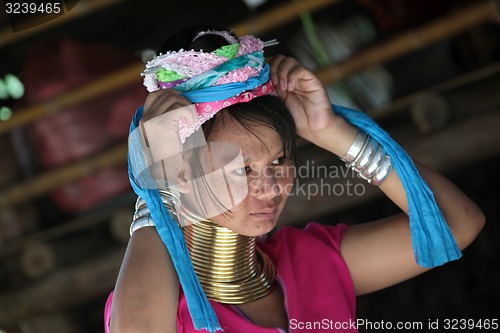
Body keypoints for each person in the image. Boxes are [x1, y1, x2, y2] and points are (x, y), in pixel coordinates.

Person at [105, 25, 485, 333]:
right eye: (243, 169)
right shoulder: (163, 305)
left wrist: (331, 131)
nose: (271, 187)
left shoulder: (310, 262)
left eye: (280, 159)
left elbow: (458, 224)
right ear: (181, 172)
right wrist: (158, 181)